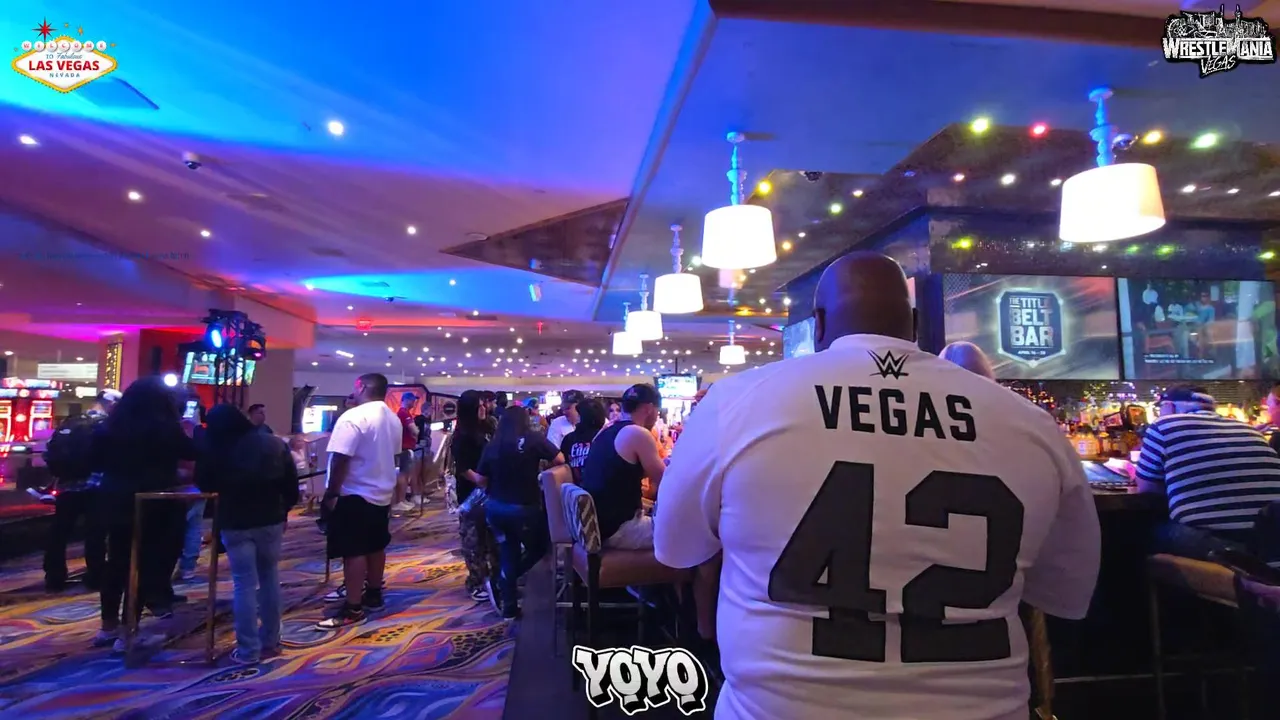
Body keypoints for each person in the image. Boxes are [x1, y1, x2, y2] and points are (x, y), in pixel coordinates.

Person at [654, 252, 1102, 720]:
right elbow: (1063, 593)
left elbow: (675, 547)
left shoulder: (735, 403)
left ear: (818, 324)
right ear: (914, 324)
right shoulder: (1031, 425)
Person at [90, 377, 198, 652]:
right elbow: (191, 452)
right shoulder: (164, 427)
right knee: (143, 566)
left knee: (116, 563)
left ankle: (108, 626)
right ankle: (129, 631)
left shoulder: (110, 426)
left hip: (114, 499)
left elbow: (94, 459)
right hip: (152, 502)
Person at [195, 404, 299, 664]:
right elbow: (291, 484)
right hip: (270, 518)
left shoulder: (216, 449)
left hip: (234, 521)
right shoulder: (272, 443)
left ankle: (248, 650)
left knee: (243, 584)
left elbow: (203, 484)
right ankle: (272, 641)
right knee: (269, 577)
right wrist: (284, 511)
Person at [1138, 386, 1280, 562]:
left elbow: (1147, 489)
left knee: (1147, 531)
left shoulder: (1163, 426)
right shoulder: (1250, 430)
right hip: (1272, 544)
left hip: (1223, 547)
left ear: (1169, 406)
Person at [317, 373, 402, 629]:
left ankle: (353, 608)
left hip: (354, 493)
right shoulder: (393, 419)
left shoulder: (353, 416)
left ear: (362, 387)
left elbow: (340, 458)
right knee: (376, 546)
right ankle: (373, 595)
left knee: (353, 551)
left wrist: (331, 494)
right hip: (381, 493)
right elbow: (394, 456)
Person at [476, 406, 564, 618]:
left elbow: (480, 479)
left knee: (509, 551)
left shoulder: (493, 444)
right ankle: (503, 580)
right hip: (524, 507)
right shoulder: (533, 439)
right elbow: (560, 459)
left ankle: (509, 605)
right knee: (539, 548)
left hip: (496, 507)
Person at [40, 388, 119, 592]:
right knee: (95, 534)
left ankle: (54, 576)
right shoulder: (107, 425)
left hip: (66, 486)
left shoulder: (71, 422)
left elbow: (50, 451)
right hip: (95, 487)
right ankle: (95, 576)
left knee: (59, 533)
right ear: (111, 404)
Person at [580, 384, 666, 551]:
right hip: (621, 530)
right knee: (694, 532)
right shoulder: (638, 433)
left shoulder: (605, 431)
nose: (657, 416)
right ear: (649, 409)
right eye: (657, 411)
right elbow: (667, 481)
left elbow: (618, 476)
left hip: (600, 526)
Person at [451, 390, 497, 603]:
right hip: (471, 493)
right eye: (478, 406)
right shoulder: (462, 434)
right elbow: (462, 467)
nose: (483, 408)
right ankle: (476, 581)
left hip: (492, 490)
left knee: (491, 538)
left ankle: (493, 578)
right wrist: (479, 479)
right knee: (473, 540)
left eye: (484, 404)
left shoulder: (489, 427)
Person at [560, 398, 606, 484]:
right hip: (580, 487)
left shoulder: (604, 436)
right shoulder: (569, 438)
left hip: (582, 487)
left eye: (579, 414)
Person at [392, 392, 420, 515]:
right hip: (404, 448)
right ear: (407, 400)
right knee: (403, 474)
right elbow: (415, 430)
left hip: (405, 447)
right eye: (413, 400)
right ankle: (400, 500)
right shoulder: (404, 413)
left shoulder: (404, 413)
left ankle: (402, 500)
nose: (414, 403)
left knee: (406, 473)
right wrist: (416, 432)